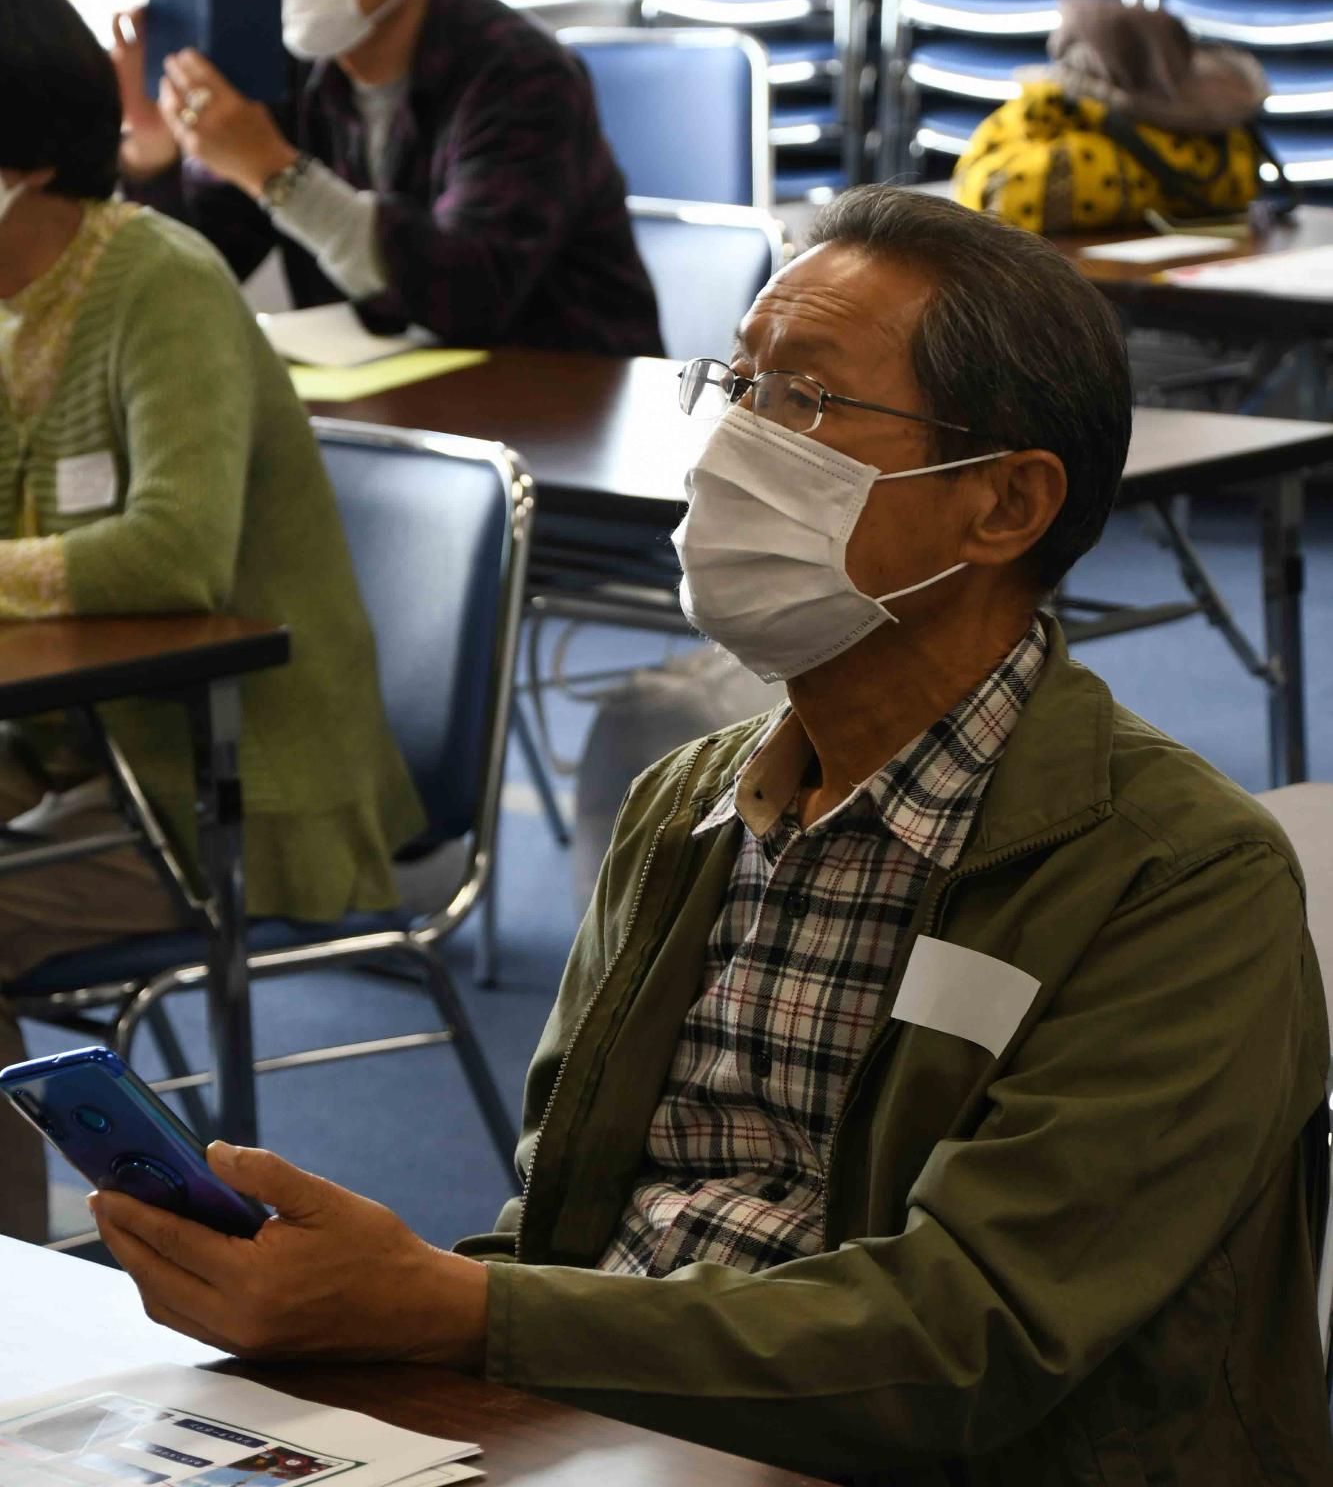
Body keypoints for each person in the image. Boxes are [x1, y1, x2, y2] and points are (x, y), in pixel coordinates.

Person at [94, 189, 1332, 1485]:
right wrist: (357, 1313)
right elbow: (570, 1235)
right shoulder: (684, 809)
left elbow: (972, 1340)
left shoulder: (1173, 879)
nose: (732, 441)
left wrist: (446, 1311)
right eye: (733, 384)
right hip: (629, 1438)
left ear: (1004, 506)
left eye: (800, 400)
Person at [0, 0, 425, 1243]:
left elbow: (175, 554)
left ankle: (22, 1303)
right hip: (72, 763)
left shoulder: (159, 282)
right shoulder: (13, 307)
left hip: (228, 790)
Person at [112, 0, 662, 357]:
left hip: (565, 392)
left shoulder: (520, 74)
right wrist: (152, 154)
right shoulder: (292, 67)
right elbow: (198, 272)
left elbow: (471, 293)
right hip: (396, 400)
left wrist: (276, 173)